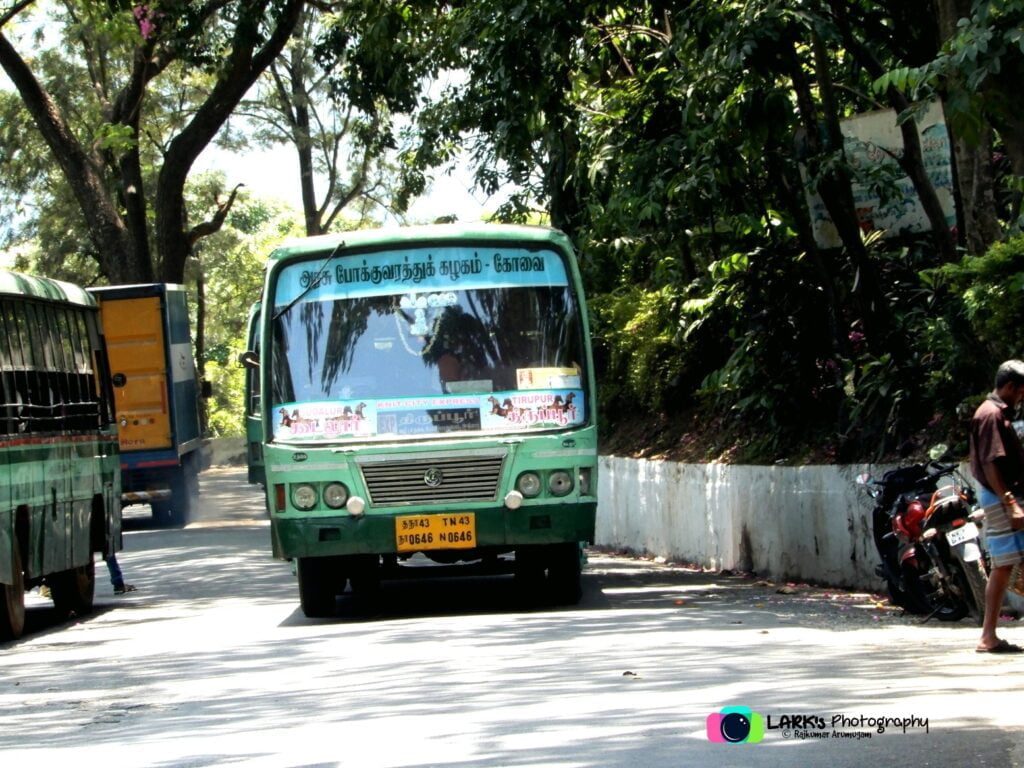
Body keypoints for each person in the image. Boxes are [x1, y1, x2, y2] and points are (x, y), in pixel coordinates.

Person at [969, 360, 1024, 653]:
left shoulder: (994, 412)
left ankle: (989, 634)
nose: (1022, 398)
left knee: (1007, 564)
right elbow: (991, 464)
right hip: (1000, 497)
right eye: (1021, 392)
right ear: (1010, 387)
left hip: (1003, 496)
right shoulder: (990, 414)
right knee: (1003, 566)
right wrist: (1011, 503)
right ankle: (987, 635)